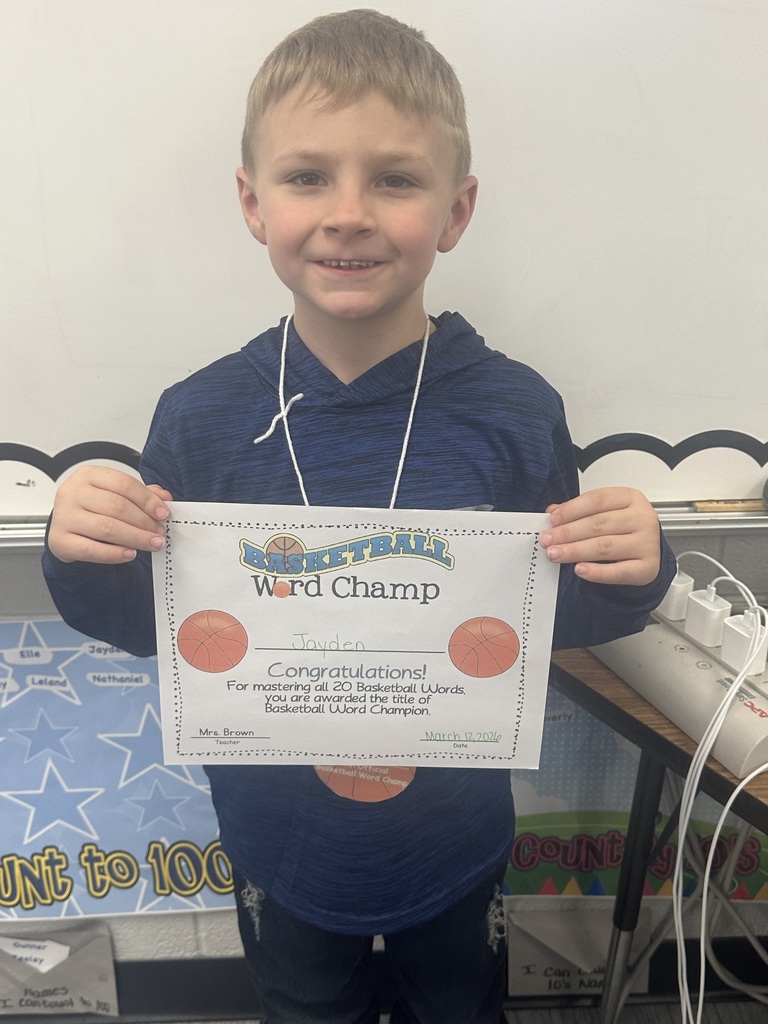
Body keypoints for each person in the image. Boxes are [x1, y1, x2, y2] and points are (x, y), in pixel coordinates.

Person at [42, 10, 676, 1024]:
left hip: (456, 840)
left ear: (457, 210)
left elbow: (558, 618)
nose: (348, 213)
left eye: (394, 177)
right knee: (304, 1010)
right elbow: (142, 622)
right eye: (306, 177)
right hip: (275, 839)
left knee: (462, 1009)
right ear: (252, 203)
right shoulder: (199, 417)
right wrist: (79, 552)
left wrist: (635, 566)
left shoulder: (514, 410)